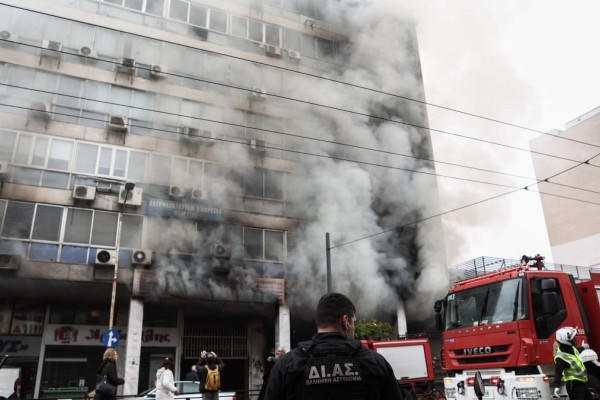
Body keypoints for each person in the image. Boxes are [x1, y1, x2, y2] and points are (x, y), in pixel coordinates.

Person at [265, 292, 403, 400]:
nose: (354, 327)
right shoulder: (376, 362)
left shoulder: (286, 365)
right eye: (353, 322)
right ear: (346, 321)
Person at [553, 327, 588, 400]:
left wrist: (583, 347)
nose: (574, 339)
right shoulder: (561, 358)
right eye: (572, 338)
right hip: (574, 385)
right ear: (565, 341)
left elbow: (577, 351)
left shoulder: (571, 349)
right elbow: (558, 372)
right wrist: (556, 386)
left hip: (582, 383)